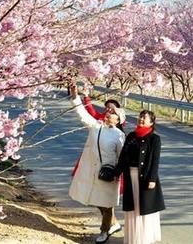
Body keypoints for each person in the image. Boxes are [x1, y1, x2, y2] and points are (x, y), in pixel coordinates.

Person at [68, 84, 126, 244]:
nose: (108, 114)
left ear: (119, 120)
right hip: (92, 171)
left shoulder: (120, 136)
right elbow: (82, 114)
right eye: (108, 112)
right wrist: (75, 97)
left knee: (107, 205)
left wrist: (118, 174)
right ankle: (113, 224)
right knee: (93, 199)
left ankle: (104, 232)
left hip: (108, 174)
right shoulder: (96, 127)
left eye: (112, 113)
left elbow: (123, 158)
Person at [116, 110, 165, 244]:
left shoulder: (155, 139)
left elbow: (155, 160)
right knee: (133, 207)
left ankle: (145, 238)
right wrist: (117, 172)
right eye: (140, 117)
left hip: (145, 178)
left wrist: (152, 179)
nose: (141, 119)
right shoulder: (131, 136)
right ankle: (133, 238)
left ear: (151, 122)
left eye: (144, 118)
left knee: (144, 207)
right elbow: (123, 156)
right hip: (130, 176)